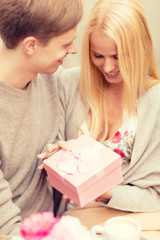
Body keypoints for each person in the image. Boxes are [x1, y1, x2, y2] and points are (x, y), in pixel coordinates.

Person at [39, 0, 160, 214]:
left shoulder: (155, 103)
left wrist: (107, 193)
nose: (108, 67)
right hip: (71, 222)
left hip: (125, 225)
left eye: (118, 56)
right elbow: (50, 155)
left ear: (140, 49)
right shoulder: (68, 83)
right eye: (98, 55)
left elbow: (155, 198)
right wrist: (55, 157)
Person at [0, 0, 83, 235]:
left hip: (55, 224)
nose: (74, 49)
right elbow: (7, 230)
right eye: (66, 43)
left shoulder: (50, 77)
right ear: (31, 46)